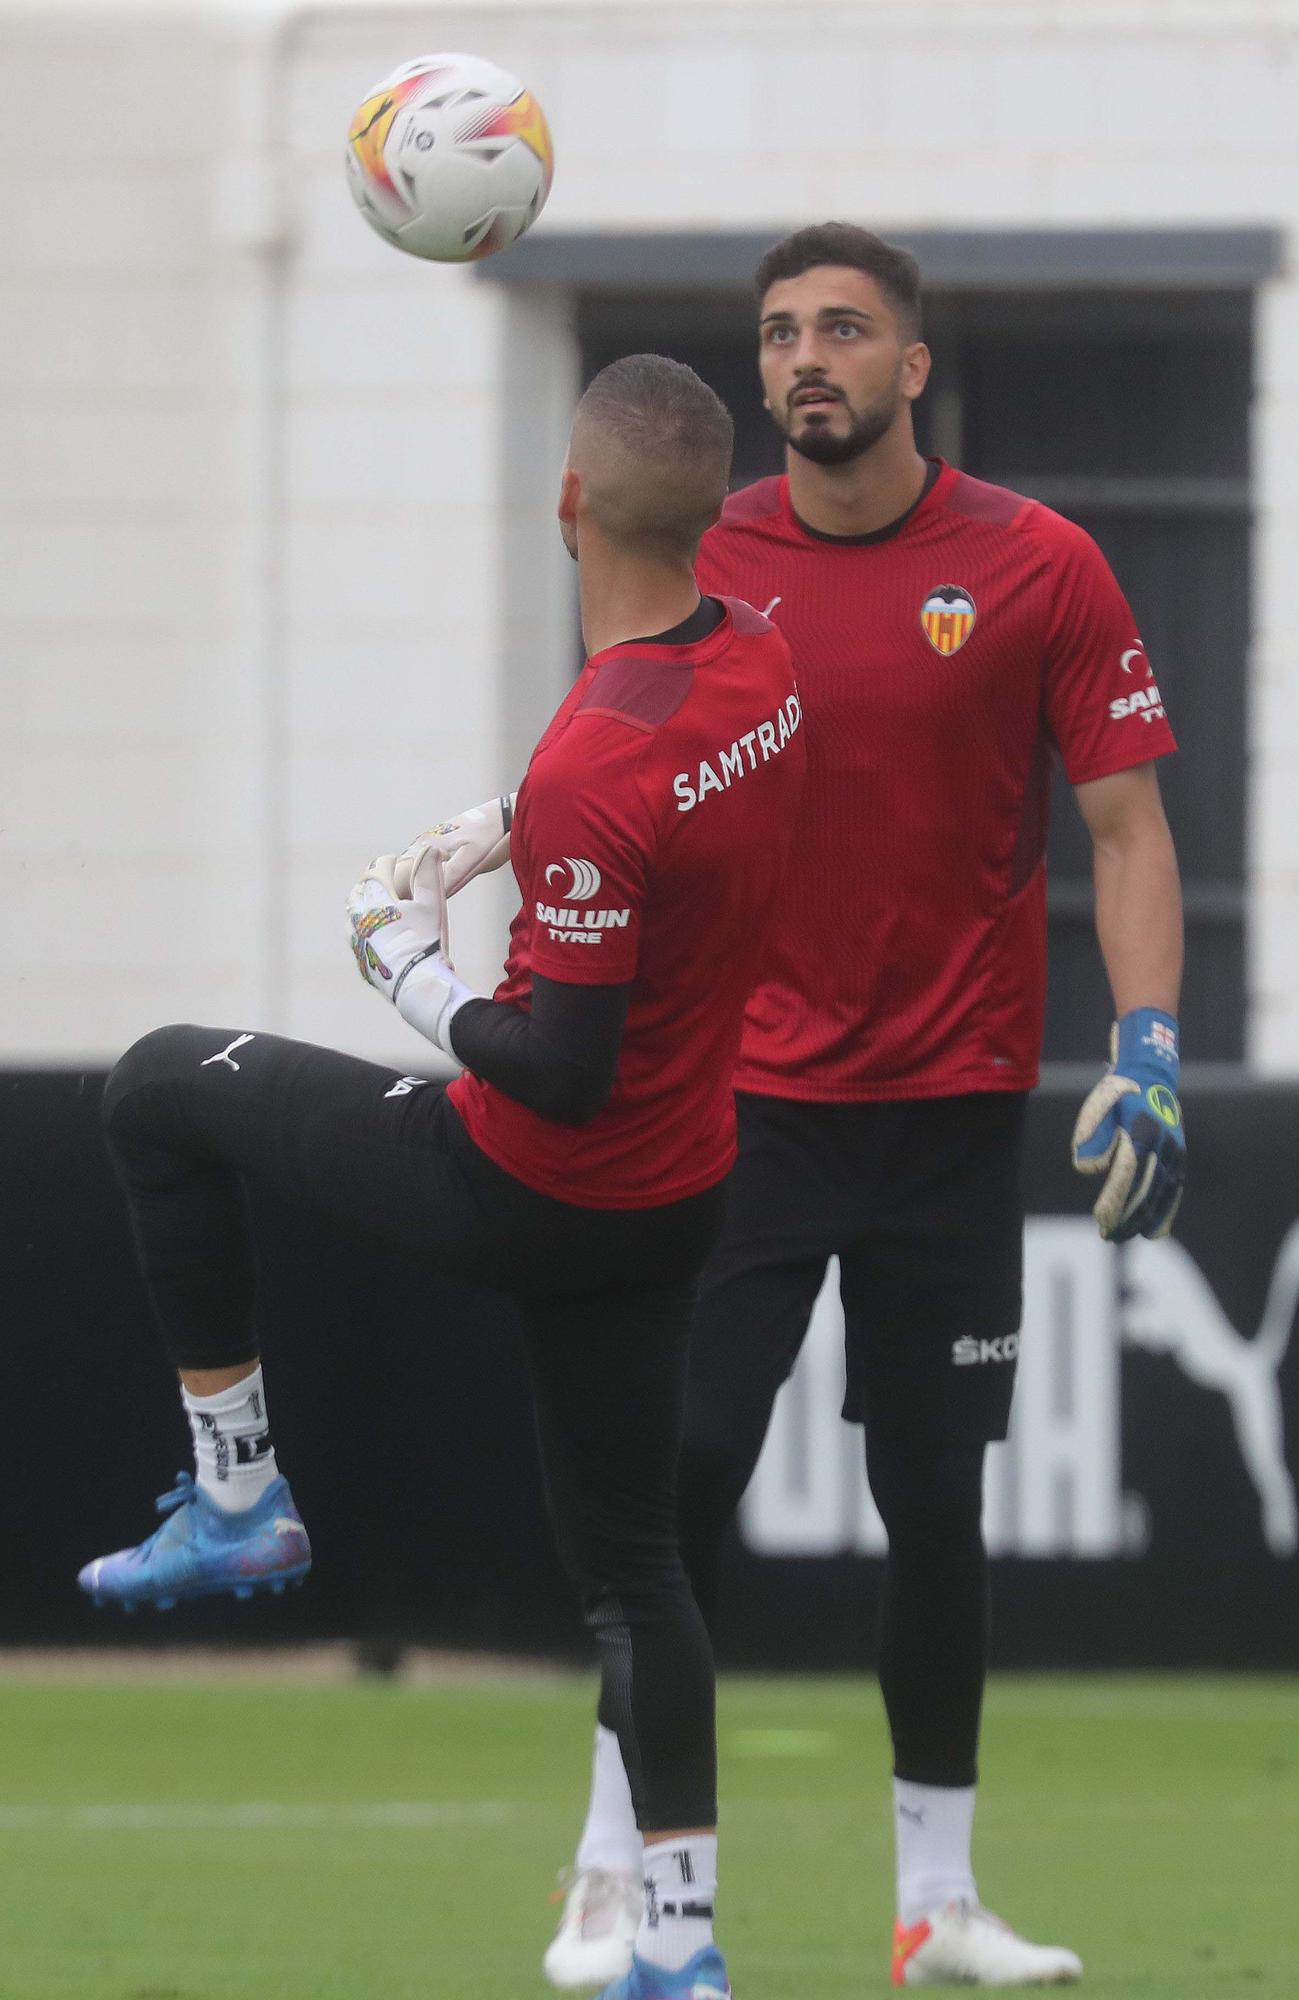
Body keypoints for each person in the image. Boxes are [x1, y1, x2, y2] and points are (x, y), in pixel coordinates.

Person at [431, 225, 1183, 1990]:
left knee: (937, 1509)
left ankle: (937, 1906)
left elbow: (1130, 828)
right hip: (738, 1105)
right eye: (779, 335)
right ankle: (611, 1873)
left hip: (952, 1107)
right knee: (674, 1487)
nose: (806, 359)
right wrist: (493, 834)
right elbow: (617, 749)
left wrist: (1146, 1045)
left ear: (912, 367)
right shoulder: (706, 554)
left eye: (845, 329)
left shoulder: (1039, 564)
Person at [78, 352, 807, 2000]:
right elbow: (663, 799)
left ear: (568, 504)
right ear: (712, 517)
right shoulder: (759, 666)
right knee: (639, 1580)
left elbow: (557, 1063)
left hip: (532, 1183)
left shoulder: (598, 762)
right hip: (680, 1194)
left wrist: (400, 965)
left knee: (154, 1091)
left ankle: (243, 1497)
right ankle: (681, 1957)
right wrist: (508, 821)